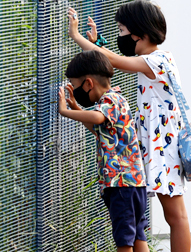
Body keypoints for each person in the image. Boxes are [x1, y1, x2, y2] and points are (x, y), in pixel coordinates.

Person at [67, 0, 191, 252]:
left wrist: (78, 36)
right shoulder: (150, 61)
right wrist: (98, 44)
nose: (120, 37)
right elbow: (114, 62)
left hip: (163, 146)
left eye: (122, 31)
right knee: (154, 221)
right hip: (153, 143)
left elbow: (114, 60)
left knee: (175, 216)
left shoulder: (158, 60)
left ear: (140, 33)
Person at [58, 50, 149, 252]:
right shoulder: (117, 99)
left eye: (76, 85)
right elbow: (100, 129)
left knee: (124, 239)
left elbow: (98, 119)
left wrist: (66, 111)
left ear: (89, 83)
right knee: (138, 236)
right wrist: (77, 108)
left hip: (121, 184)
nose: (76, 91)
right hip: (136, 183)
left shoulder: (109, 101)